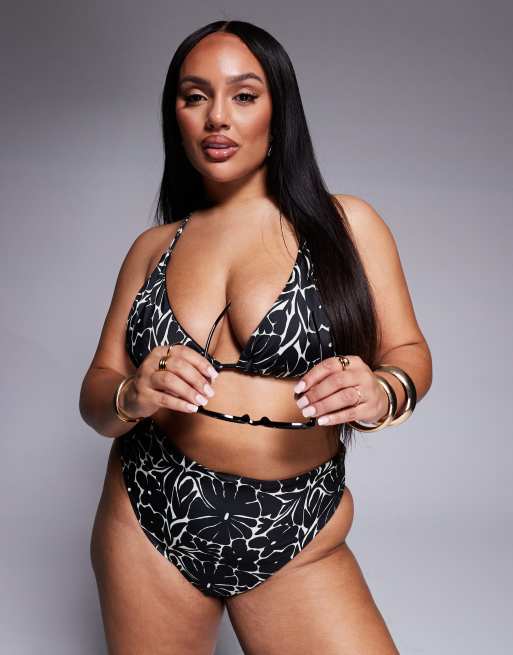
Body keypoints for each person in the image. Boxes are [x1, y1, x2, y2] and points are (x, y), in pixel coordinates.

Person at [79, 19, 432, 655]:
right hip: (149, 514)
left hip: (298, 528)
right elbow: (96, 394)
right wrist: (131, 394)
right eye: (194, 97)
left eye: (243, 95)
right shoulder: (152, 248)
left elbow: (408, 351)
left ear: (280, 113)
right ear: (176, 117)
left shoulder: (348, 225)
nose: (217, 117)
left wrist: (385, 391)